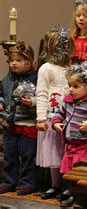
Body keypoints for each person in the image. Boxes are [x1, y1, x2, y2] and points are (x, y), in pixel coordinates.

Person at [35, 26, 75, 200]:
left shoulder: (71, 68)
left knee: (67, 152)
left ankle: (68, 185)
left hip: (69, 117)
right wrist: (41, 118)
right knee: (53, 152)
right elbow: (42, 93)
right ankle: (55, 184)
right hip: (52, 118)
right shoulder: (46, 68)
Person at [51, 63, 87, 207]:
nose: (71, 89)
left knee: (80, 172)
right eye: (69, 85)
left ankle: (79, 197)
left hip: (84, 145)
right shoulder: (67, 101)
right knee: (68, 172)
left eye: (75, 86)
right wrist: (56, 122)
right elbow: (59, 113)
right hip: (70, 145)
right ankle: (70, 192)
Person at [0, 44, 38, 195]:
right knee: (9, 155)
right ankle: (9, 181)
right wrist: (1, 103)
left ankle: (27, 182)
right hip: (9, 123)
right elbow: (2, 93)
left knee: (27, 156)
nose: (14, 63)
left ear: (28, 62)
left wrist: (32, 102)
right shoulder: (8, 78)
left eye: (19, 60)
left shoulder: (35, 78)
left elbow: (41, 97)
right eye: (11, 60)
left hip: (27, 123)